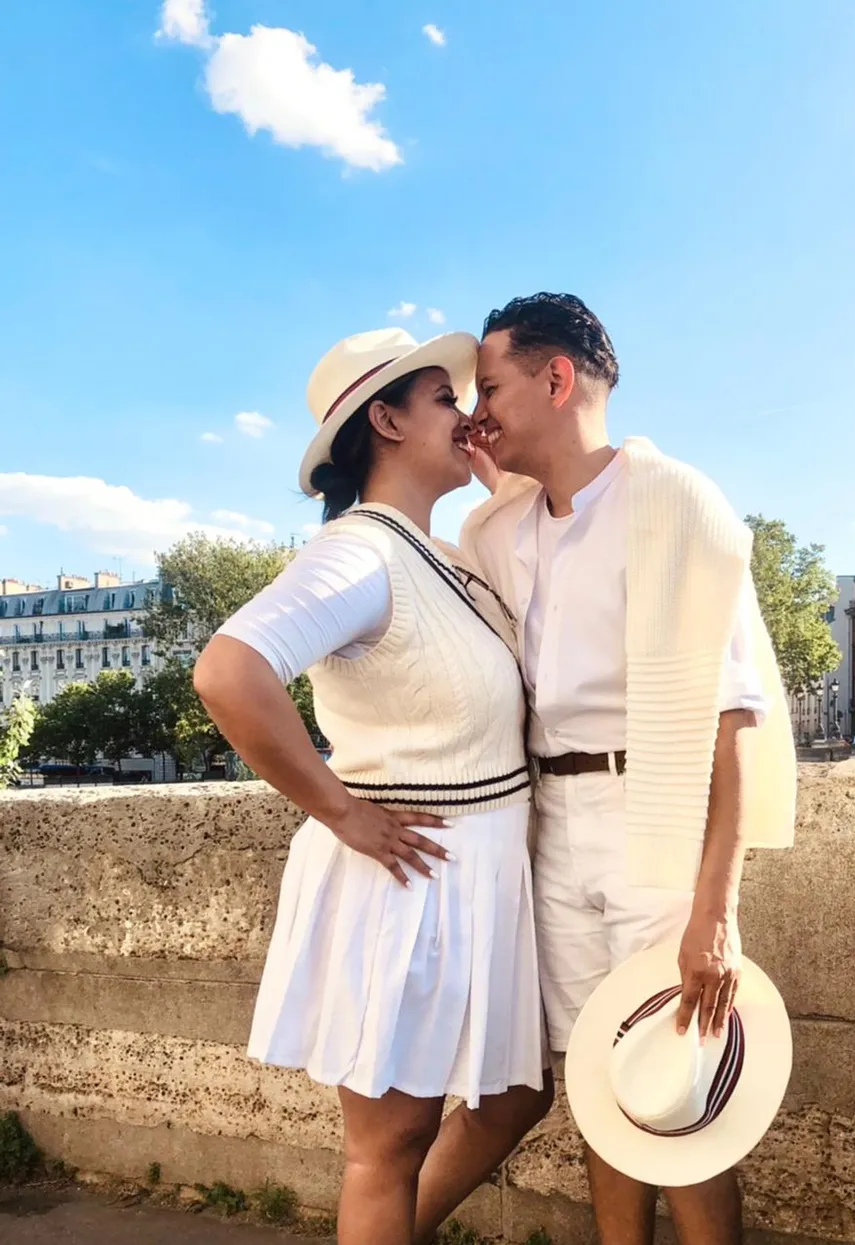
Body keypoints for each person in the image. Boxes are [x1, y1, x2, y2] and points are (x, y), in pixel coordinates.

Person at [194, 328, 552, 1245]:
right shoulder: (360, 553)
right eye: (445, 399)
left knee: (516, 1095)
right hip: (410, 882)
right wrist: (343, 810)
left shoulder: (440, 554)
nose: (468, 415)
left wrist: (499, 481)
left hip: (475, 880)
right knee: (389, 1145)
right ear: (386, 421)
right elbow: (229, 671)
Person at [461, 293, 797, 1245]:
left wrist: (714, 910)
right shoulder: (498, 531)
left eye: (489, 388)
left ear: (555, 378)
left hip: (654, 815)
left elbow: (734, 720)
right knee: (599, 1087)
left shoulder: (675, 502)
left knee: (679, 1088)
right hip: (549, 826)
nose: (477, 413)